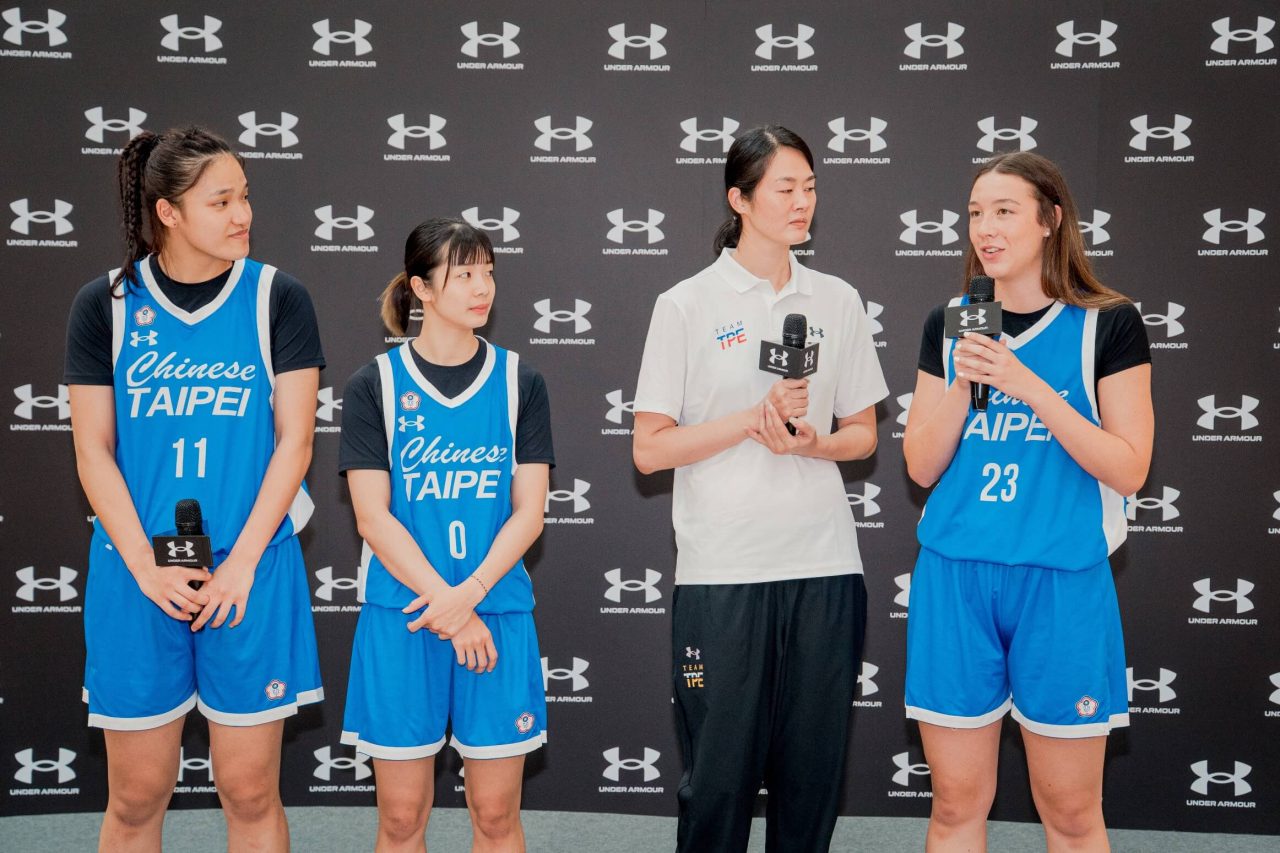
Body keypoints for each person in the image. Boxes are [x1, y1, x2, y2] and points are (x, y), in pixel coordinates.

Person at [66, 126, 324, 851]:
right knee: (136, 796)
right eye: (221, 201)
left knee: (249, 790)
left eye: (245, 196)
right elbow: (92, 449)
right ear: (168, 212)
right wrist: (145, 568)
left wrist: (242, 563)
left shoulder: (277, 297)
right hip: (136, 574)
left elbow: (295, 442)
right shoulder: (106, 304)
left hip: (250, 569)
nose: (243, 214)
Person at [633, 125, 888, 852]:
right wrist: (750, 419)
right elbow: (649, 450)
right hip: (724, 573)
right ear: (739, 199)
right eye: (785, 188)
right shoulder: (685, 303)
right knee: (717, 783)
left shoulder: (837, 299)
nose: (802, 201)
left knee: (811, 783)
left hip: (824, 566)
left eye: (810, 187)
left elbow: (862, 433)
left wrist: (815, 443)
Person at [902, 151, 1153, 852]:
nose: (985, 227)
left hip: (1060, 580)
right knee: (955, 804)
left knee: (1070, 812)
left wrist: (1028, 384)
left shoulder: (1109, 323)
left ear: (1051, 221)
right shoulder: (951, 322)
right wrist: (966, 378)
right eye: (975, 213)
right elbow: (921, 464)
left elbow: (1130, 468)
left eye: (1005, 211)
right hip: (956, 578)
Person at [338, 218, 553, 853]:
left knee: (495, 815)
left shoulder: (520, 381)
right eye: (464, 275)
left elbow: (530, 512)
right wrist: (449, 607)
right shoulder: (373, 384)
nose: (482, 287)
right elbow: (372, 517)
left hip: (497, 614)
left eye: (488, 272)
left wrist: (470, 596)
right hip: (405, 616)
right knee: (402, 819)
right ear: (421, 289)